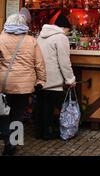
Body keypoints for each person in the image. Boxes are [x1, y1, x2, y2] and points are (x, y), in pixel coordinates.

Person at [0, 13, 46, 155]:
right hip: (24, 85)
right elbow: (39, 63)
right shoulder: (31, 40)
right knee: (18, 115)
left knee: (2, 114)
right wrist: (41, 80)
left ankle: (8, 139)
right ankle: (13, 144)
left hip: (4, 83)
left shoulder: (1, 39)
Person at [35, 12, 76, 140]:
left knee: (40, 104)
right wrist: (70, 79)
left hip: (40, 77)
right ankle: (47, 133)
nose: (68, 34)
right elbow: (64, 62)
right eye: (68, 31)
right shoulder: (61, 38)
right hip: (53, 79)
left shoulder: (40, 36)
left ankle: (39, 132)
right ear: (64, 28)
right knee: (49, 106)